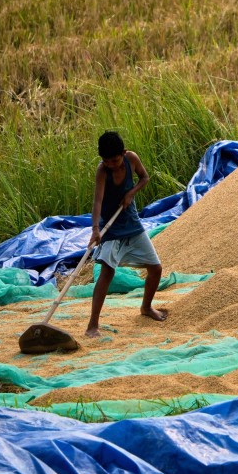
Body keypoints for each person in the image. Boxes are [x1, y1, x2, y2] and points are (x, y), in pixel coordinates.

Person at [86, 131, 167, 337]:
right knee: (107, 273)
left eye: (114, 160)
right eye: (106, 161)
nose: (111, 164)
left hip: (132, 223)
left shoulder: (132, 159)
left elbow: (145, 178)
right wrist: (95, 229)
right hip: (111, 230)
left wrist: (131, 193)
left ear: (123, 153)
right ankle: (92, 325)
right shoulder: (103, 171)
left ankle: (146, 307)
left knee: (156, 269)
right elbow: (97, 201)